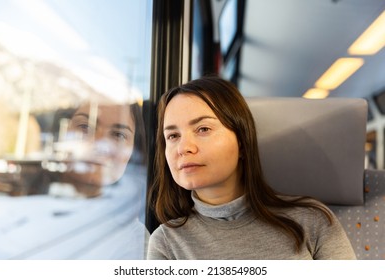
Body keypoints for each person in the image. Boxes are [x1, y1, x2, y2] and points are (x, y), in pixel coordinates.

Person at [147, 75, 356, 260]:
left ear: (242, 143)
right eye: (173, 136)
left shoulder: (312, 221)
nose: (184, 148)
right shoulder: (166, 243)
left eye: (203, 129)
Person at [52, 101, 146, 198]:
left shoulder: (138, 203)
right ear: (61, 131)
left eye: (118, 135)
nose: (100, 145)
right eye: (85, 127)